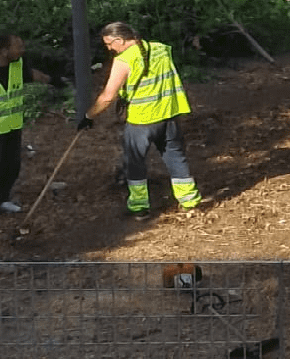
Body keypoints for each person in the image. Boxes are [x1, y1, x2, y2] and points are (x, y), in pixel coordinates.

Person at [78, 22, 201, 217]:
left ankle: (139, 206)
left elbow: (108, 97)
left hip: (142, 120)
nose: (109, 49)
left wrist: (88, 116)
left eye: (109, 44)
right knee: (176, 157)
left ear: (120, 40)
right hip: (169, 114)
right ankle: (189, 201)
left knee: (135, 162)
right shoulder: (161, 49)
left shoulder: (124, 60)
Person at [0, 33, 51, 214]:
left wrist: (51, 80)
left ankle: (3, 199)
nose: (22, 50)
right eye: (18, 46)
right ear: (4, 50)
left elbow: (32, 75)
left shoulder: (18, 65)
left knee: (11, 165)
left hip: (12, 126)